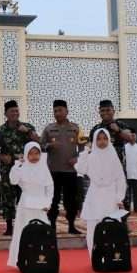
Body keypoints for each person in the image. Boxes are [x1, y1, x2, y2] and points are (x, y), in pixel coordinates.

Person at [75, 129, 127, 254]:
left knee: (112, 226)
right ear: (94, 140)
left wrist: (119, 198)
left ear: (109, 140)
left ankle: (112, 254)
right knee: (93, 226)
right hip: (95, 195)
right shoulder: (90, 156)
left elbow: (120, 179)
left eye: (104, 138)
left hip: (111, 196)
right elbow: (80, 169)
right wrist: (85, 153)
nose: (102, 141)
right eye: (99, 139)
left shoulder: (113, 157)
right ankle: (94, 255)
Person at [0, 100, 38, 235]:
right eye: (12, 111)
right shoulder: (1, 130)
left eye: (17, 111)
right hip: (8, 169)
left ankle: (26, 224)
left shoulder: (27, 127)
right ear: (6, 113)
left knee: (26, 195)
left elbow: (38, 142)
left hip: (26, 169)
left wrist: (28, 132)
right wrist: (1, 157)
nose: (15, 113)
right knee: (8, 197)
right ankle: (9, 226)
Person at [7, 142, 54, 267]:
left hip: (41, 205)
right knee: (24, 231)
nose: (34, 156)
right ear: (26, 155)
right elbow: (13, 181)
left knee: (42, 231)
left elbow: (49, 187)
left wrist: (48, 202)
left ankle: (42, 257)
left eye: (36, 153)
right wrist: (18, 165)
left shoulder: (44, 168)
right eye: (31, 154)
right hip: (25, 205)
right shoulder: (22, 167)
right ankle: (23, 259)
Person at [40, 99, 80, 233]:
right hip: (53, 171)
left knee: (71, 200)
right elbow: (40, 146)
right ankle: (51, 225)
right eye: (55, 111)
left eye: (60, 110)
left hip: (70, 171)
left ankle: (72, 225)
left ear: (67, 111)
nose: (57, 113)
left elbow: (85, 147)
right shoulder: (48, 128)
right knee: (53, 199)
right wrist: (49, 146)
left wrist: (77, 158)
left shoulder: (76, 128)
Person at [124, 129, 137, 213]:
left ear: (136, 137)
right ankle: (127, 208)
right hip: (127, 173)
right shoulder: (124, 147)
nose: (133, 137)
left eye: (134, 136)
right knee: (127, 193)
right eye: (131, 136)